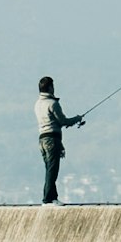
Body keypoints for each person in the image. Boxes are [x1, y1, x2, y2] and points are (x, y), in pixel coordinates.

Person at [35, 75, 83, 203]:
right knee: (53, 170)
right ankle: (47, 199)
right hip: (52, 139)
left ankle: (52, 198)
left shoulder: (37, 104)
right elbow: (62, 121)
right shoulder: (53, 103)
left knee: (49, 169)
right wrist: (77, 119)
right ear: (50, 88)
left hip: (42, 139)